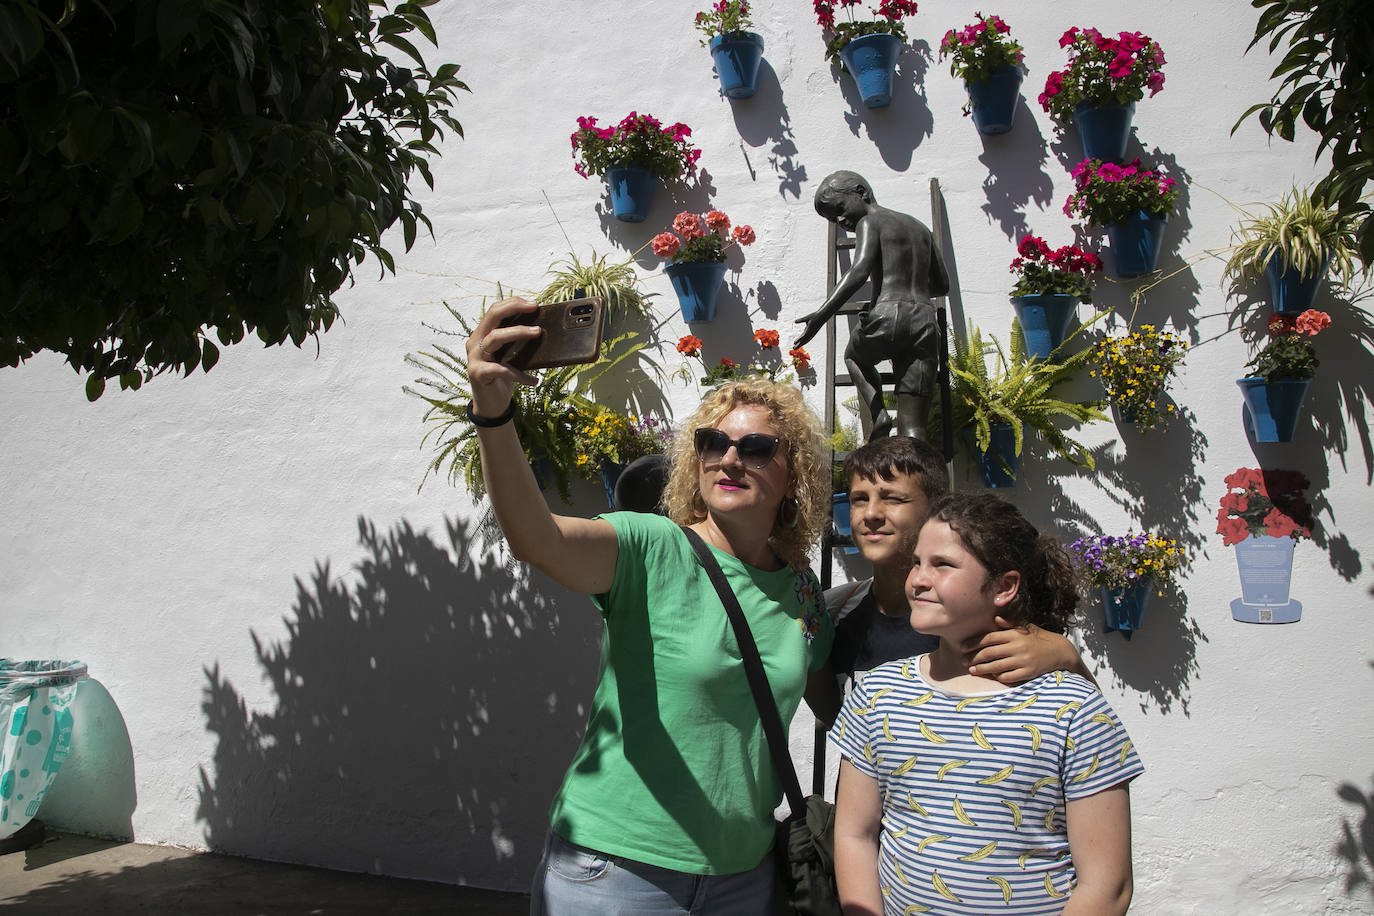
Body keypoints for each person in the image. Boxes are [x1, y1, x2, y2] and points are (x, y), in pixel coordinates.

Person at [465, 297, 834, 915]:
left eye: (759, 448)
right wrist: (494, 414)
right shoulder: (650, 546)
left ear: (794, 474)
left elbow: (847, 703)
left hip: (743, 876)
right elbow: (538, 539)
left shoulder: (801, 592)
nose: (730, 458)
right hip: (617, 870)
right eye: (713, 442)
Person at [831, 493, 1142, 915]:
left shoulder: (1072, 707)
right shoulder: (878, 693)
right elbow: (854, 835)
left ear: (1004, 586)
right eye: (917, 562)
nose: (918, 579)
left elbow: (1108, 886)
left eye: (942, 565)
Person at [826, 436, 1090, 688]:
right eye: (859, 499)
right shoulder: (831, 613)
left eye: (893, 498)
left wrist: (1066, 656)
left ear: (937, 506)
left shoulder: (982, 618)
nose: (871, 513)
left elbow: (1080, 717)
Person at [793, 170, 950, 442]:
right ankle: (919, 482)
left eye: (840, 209)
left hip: (888, 315)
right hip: (924, 320)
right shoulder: (921, 228)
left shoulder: (870, 221)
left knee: (854, 356)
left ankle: (878, 414)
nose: (840, 220)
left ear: (862, 193)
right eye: (833, 220)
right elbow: (942, 285)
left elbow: (858, 271)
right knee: (914, 429)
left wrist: (821, 316)